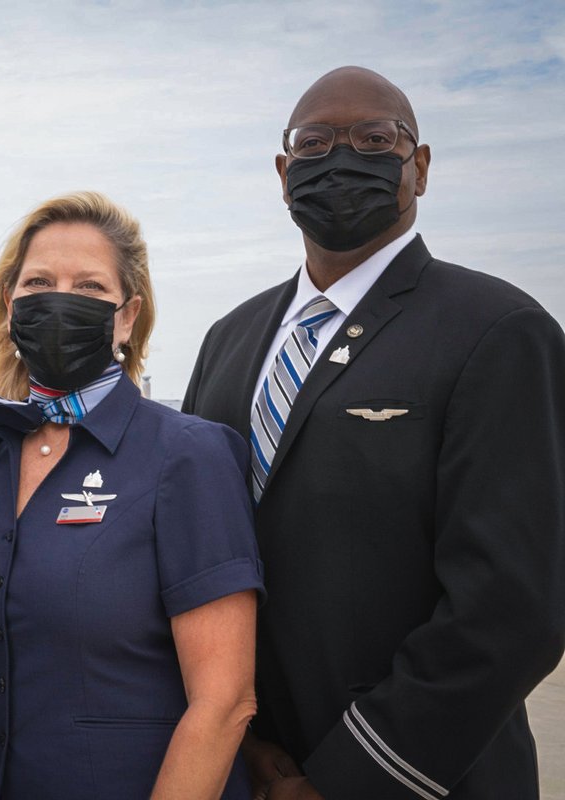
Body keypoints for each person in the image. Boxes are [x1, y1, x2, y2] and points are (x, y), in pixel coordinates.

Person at [183, 66, 565, 800]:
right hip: (249, 765)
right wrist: (240, 743)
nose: (340, 159)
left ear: (420, 166)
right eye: (314, 143)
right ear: (283, 173)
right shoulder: (228, 339)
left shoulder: (498, 330)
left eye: (374, 139)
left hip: (416, 774)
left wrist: (347, 780)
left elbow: (511, 610)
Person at [0, 191, 263, 800]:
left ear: (127, 316)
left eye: (89, 287)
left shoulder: (187, 456)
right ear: (10, 306)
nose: (60, 300)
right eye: (39, 283)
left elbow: (225, 702)